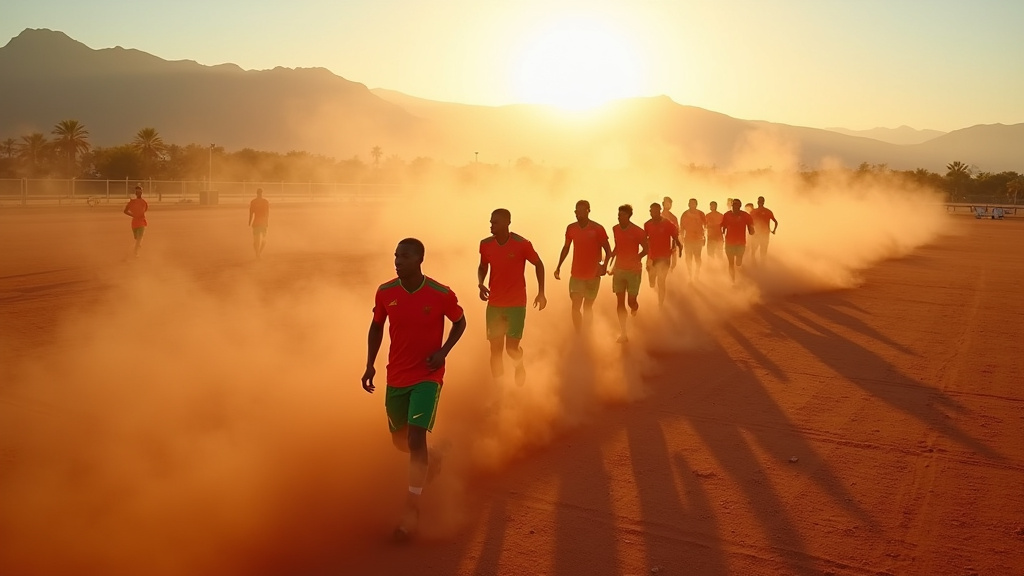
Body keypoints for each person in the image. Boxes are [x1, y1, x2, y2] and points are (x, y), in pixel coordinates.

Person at [361, 238, 467, 541]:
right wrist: (370, 364)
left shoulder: (440, 294)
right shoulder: (385, 292)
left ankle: (411, 508)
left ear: (419, 259)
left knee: (415, 436)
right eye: (396, 256)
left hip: (427, 377)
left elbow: (460, 323)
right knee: (400, 441)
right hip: (396, 378)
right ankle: (434, 455)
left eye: (404, 256)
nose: (397, 261)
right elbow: (377, 327)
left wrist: (444, 351)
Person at [478, 209, 547, 386]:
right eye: (491, 222)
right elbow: (483, 266)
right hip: (494, 304)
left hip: (516, 305)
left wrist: (541, 292)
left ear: (507, 223)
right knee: (495, 349)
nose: (491, 225)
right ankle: (499, 390)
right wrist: (480, 283)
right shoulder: (485, 245)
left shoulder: (522, 244)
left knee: (511, 348)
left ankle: (519, 366)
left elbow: (539, 264)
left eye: (495, 222)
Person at [554, 200, 612, 333]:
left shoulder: (597, 228)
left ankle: (587, 332)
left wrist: (603, 266)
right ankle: (579, 334)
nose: (578, 214)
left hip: (593, 275)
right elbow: (566, 248)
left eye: (581, 211)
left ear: (588, 211)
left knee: (587, 307)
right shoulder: (571, 228)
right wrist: (558, 266)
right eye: (576, 211)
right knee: (575, 306)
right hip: (576, 274)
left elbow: (608, 250)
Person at [607, 204, 648, 342]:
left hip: (633, 271)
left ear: (629, 216)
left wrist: (637, 257)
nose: (619, 217)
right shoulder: (615, 229)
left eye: (622, 215)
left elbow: (646, 249)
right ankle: (623, 333)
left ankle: (635, 307)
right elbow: (618, 245)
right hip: (619, 270)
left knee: (631, 301)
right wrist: (611, 257)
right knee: (619, 301)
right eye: (618, 215)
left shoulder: (638, 231)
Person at [644, 202, 680, 306]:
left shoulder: (667, 223)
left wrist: (678, 246)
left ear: (659, 211)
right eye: (650, 211)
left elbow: (675, 236)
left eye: (654, 211)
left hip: (664, 257)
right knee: (652, 282)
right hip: (651, 257)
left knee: (661, 282)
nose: (651, 213)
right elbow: (644, 240)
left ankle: (661, 304)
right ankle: (652, 282)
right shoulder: (647, 224)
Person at [721, 199, 755, 283]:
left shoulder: (745, 215)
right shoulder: (727, 215)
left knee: (738, 263)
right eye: (734, 205)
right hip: (729, 242)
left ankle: (742, 273)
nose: (735, 207)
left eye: (737, 205)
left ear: (740, 206)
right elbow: (723, 226)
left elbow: (751, 226)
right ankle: (732, 281)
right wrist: (722, 233)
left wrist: (751, 230)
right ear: (732, 206)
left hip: (740, 243)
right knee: (731, 263)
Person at [679, 198, 707, 282]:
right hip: (688, 239)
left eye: (693, 203)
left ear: (696, 204)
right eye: (690, 203)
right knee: (688, 258)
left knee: (697, 257)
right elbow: (682, 228)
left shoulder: (701, 214)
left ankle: (697, 274)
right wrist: (681, 239)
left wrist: (704, 237)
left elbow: (705, 226)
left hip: (698, 239)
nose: (692, 205)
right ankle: (690, 275)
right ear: (688, 204)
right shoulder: (684, 214)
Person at [750, 196, 779, 264]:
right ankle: (753, 264)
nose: (760, 202)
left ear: (763, 202)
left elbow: (775, 222)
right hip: (756, 234)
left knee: (763, 251)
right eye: (759, 201)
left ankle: (762, 265)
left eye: (761, 201)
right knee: (753, 250)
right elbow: (749, 222)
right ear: (757, 202)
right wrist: (751, 230)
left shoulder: (767, 211)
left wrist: (774, 230)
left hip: (764, 234)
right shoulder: (753, 211)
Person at [123, 184, 148, 257]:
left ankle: (135, 252)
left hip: (142, 223)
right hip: (134, 224)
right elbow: (125, 211)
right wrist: (133, 215)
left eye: (140, 192)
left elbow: (144, 210)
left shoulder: (144, 202)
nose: (139, 193)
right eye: (137, 192)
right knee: (137, 239)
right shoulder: (132, 202)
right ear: (136, 193)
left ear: (141, 193)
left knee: (139, 239)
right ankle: (136, 248)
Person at [248, 188, 270, 259]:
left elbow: (251, 213)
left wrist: (250, 221)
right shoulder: (265, 202)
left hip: (256, 222)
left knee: (255, 240)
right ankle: (259, 253)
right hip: (263, 222)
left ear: (256, 193)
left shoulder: (253, 202)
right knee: (264, 239)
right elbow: (267, 213)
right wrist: (267, 222)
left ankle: (257, 253)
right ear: (262, 193)